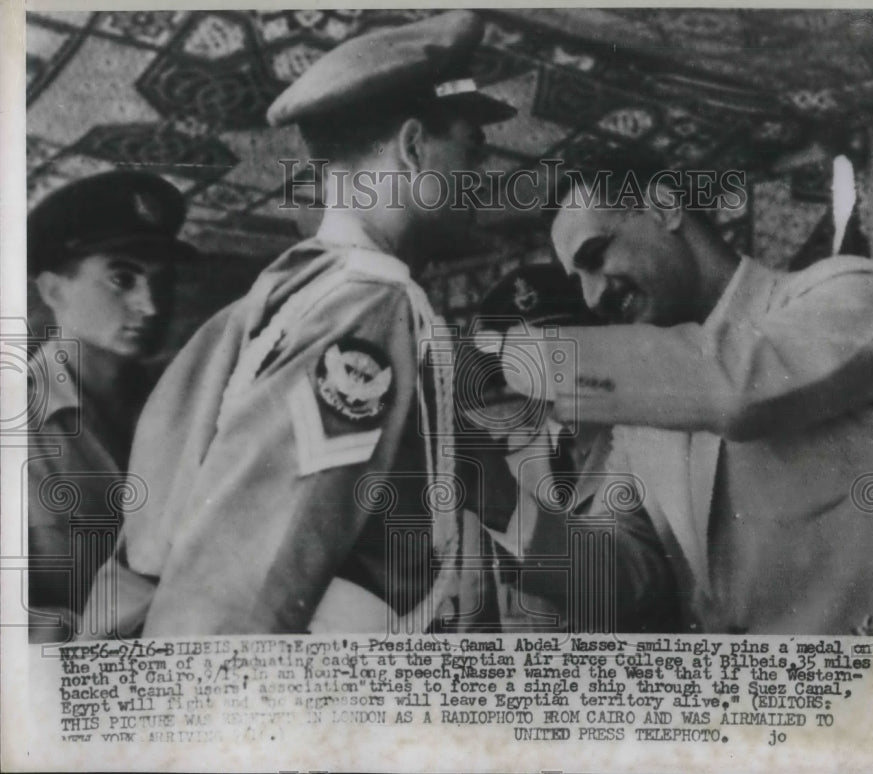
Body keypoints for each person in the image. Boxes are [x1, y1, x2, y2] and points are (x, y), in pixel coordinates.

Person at [81, 11, 516, 638]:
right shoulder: (370, 304)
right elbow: (253, 573)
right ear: (415, 146)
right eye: (472, 151)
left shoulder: (277, 294)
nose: (483, 180)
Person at [494, 167, 873, 634]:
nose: (591, 297)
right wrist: (497, 500)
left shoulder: (851, 293)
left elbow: (734, 390)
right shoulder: (645, 409)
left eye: (595, 255)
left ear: (664, 206)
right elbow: (624, 579)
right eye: (578, 279)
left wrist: (500, 356)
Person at [461, 264, 681, 632]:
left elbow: (632, 583)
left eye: (561, 342)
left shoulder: (649, 439)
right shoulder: (507, 460)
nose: (547, 364)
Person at [26, 170, 192, 642]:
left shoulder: (188, 403)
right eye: (122, 278)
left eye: (163, 281)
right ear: (54, 291)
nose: (152, 306)